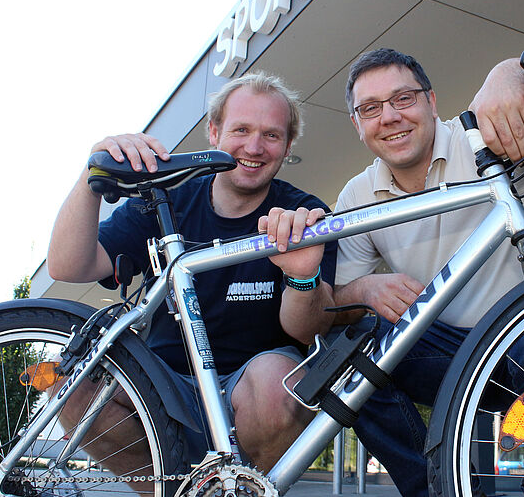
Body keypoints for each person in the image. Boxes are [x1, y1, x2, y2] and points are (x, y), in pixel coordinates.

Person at [332, 48, 524, 497]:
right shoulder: (357, 196)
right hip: (453, 356)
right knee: (344, 354)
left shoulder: (484, 134)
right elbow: (335, 304)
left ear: (432, 101)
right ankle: (439, 488)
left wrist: (515, 71)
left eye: (403, 98)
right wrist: (365, 288)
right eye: (370, 108)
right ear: (356, 124)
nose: (389, 116)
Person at [47, 72, 336, 479]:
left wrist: (302, 277)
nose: (254, 147)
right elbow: (67, 266)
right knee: (73, 385)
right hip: (162, 387)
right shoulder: (165, 200)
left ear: (288, 146)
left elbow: (308, 330)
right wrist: (90, 177)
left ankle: (246, 489)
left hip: (254, 392)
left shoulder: (302, 215)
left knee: (279, 385)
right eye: (241, 129)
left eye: (271, 135)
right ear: (214, 132)